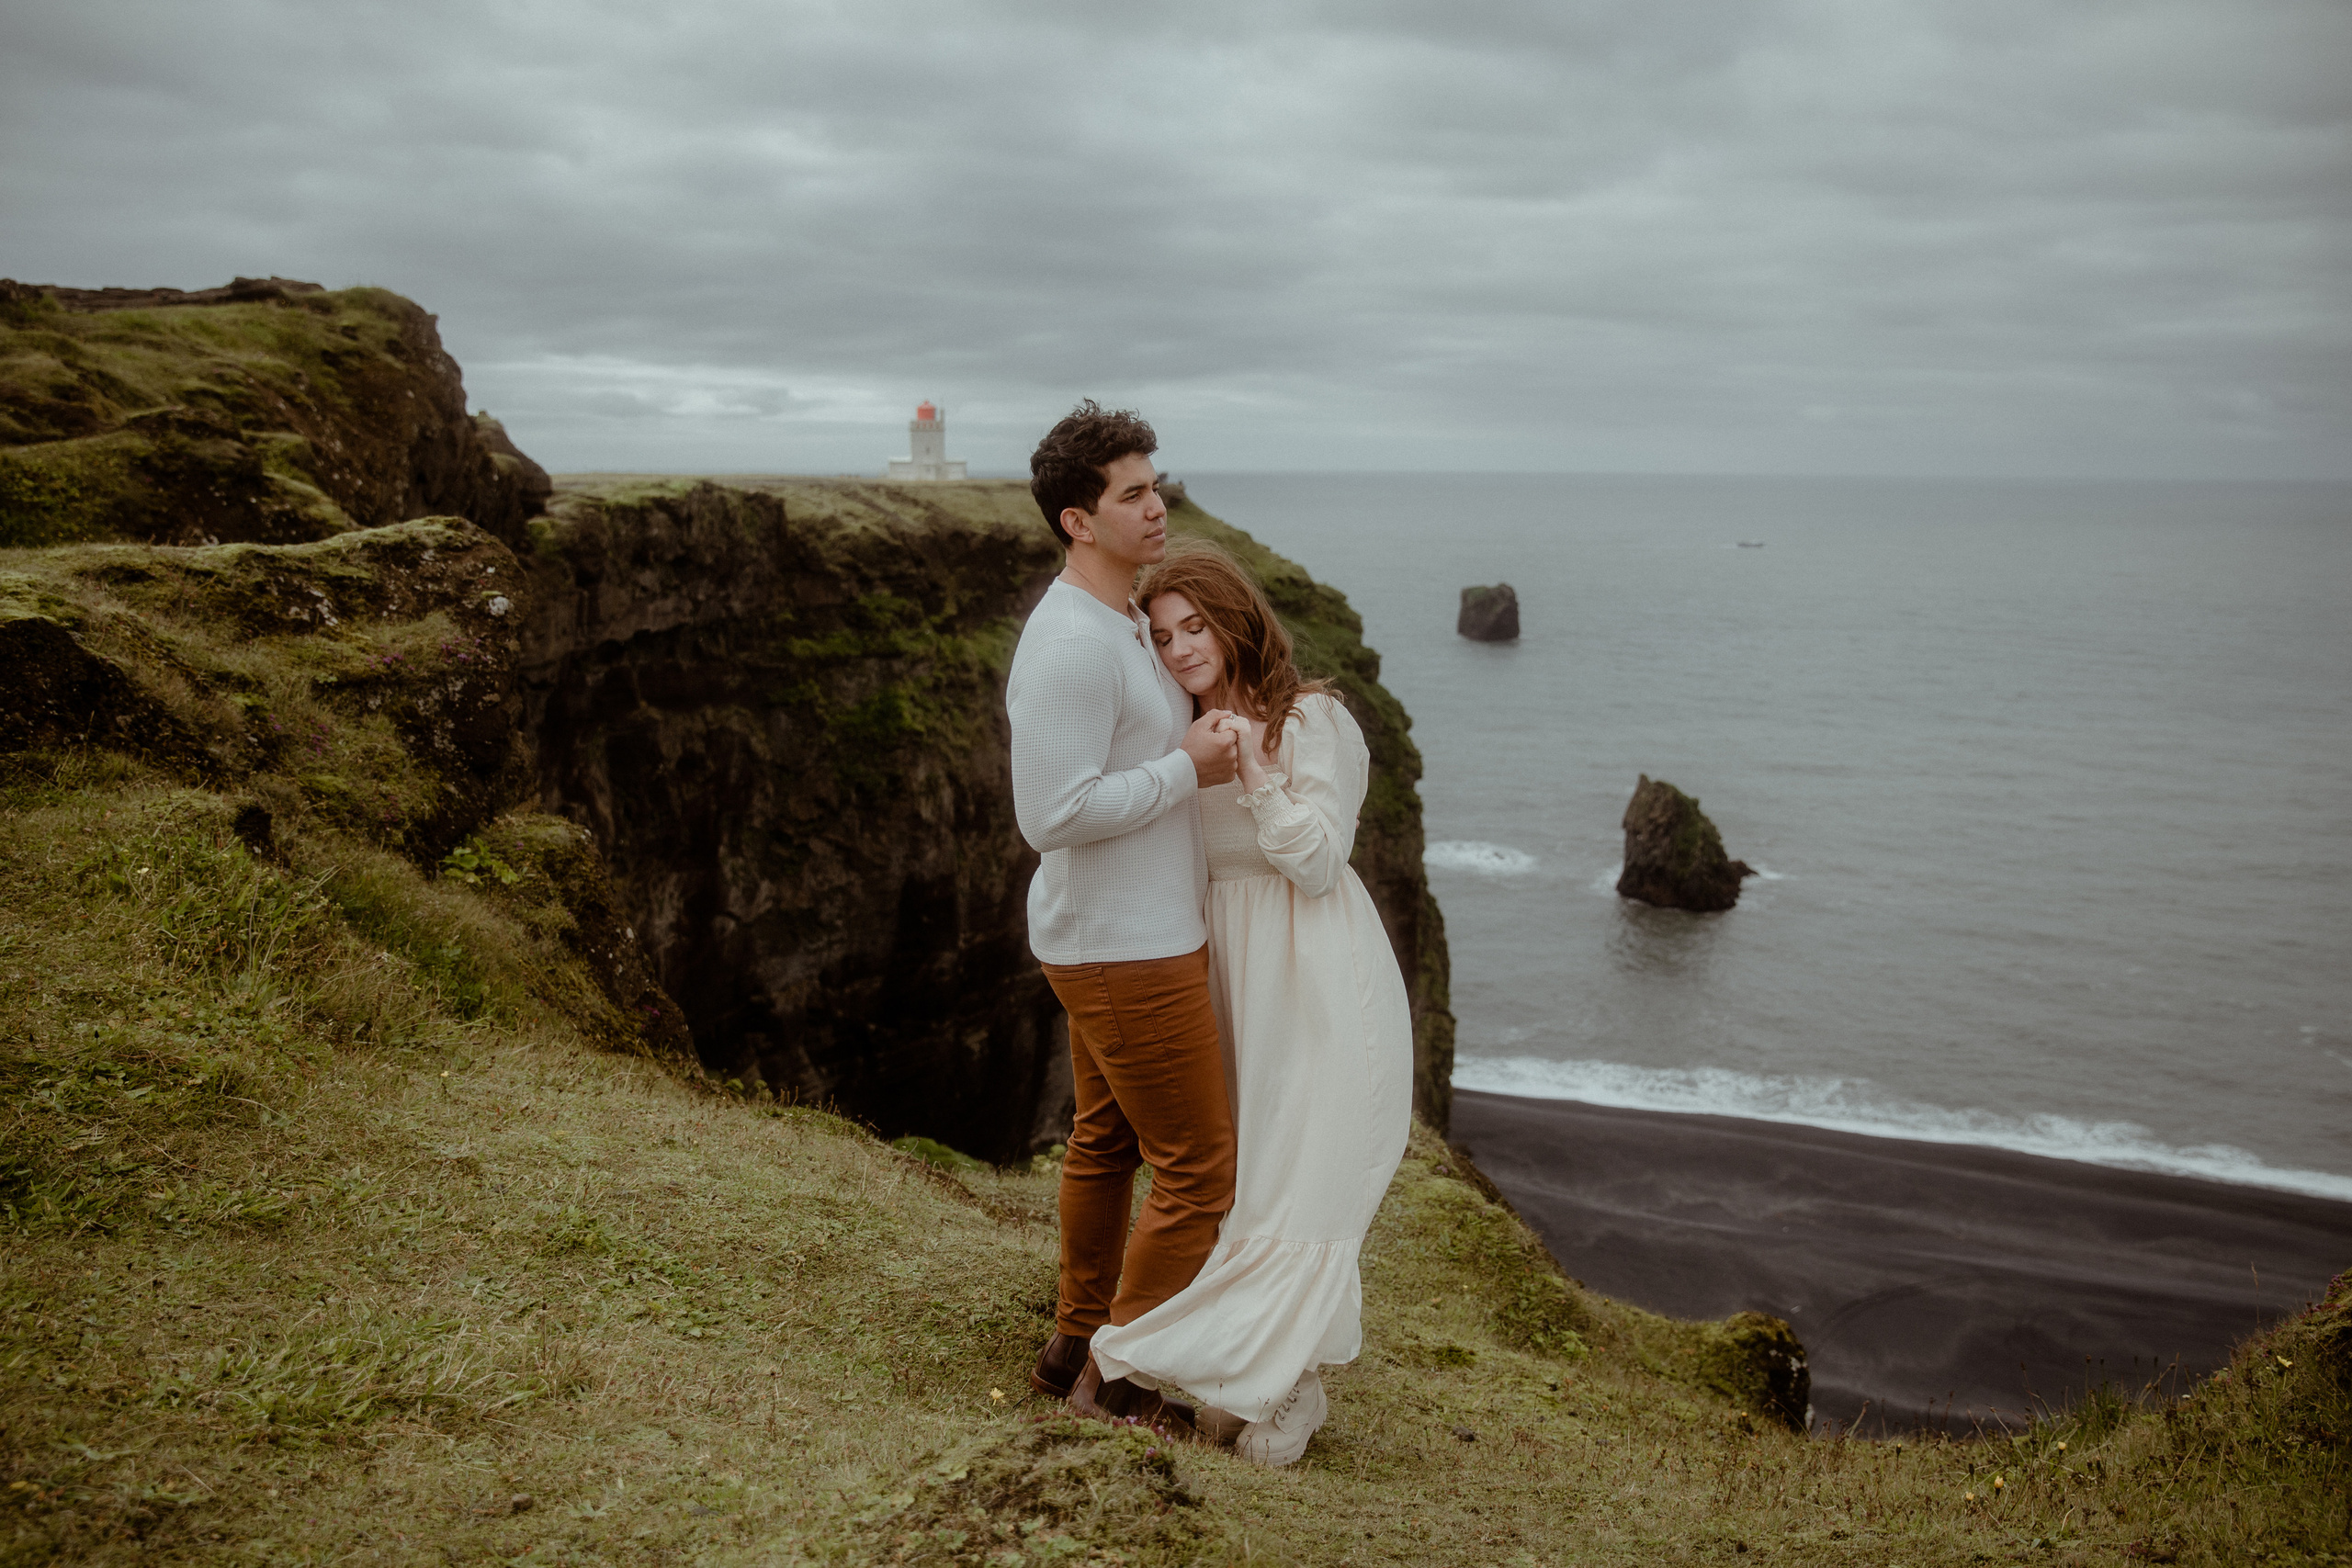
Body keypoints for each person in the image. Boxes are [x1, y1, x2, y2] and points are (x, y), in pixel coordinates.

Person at [1089, 544, 1416, 1467]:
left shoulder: (1312, 719)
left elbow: (1316, 860)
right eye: (1161, 636)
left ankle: (1284, 1382)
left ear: (1235, 618)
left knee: (1299, 1179)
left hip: (1315, 970)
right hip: (1221, 976)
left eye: (1196, 624)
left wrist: (1256, 771)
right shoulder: (1171, 739)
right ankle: (1262, 1375)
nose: (1182, 647)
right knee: (1237, 1183)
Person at [1006, 401, 1241, 1434]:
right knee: (1199, 1169)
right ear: (1078, 520)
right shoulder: (1068, 645)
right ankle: (1123, 1380)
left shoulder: (1120, 622)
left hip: (1129, 932)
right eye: (1132, 494)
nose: (1158, 506)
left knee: (1105, 1141)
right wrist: (1182, 769)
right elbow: (1050, 816)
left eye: (1156, 485)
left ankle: (1075, 1340)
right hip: (1123, 947)